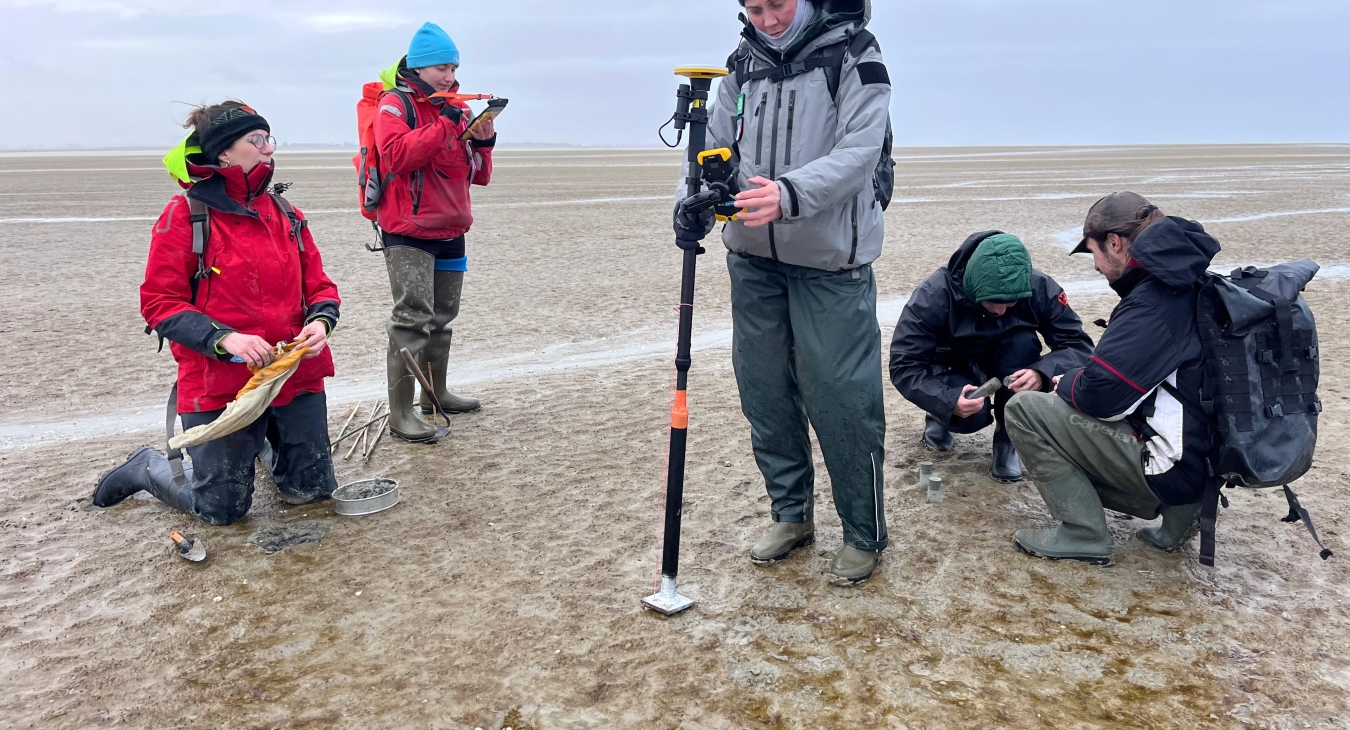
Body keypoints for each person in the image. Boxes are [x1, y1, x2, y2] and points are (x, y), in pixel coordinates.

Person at [673, 0, 891, 584]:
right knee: (764, 389)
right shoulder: (741, 63)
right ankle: (791, 514)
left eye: (778, 5)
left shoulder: (854, 54)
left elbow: (860, 151)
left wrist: (789, 194)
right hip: (752, 259)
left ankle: (863, 531)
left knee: (840, 397)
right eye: (754, 8)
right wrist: (690, 203)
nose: (767, 19)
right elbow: (712, 146)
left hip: (830, 261)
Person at [92, 101, 341, 525]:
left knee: (312, 493)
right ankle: (146, 465)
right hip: (219, 383)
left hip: (293, 376)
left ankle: (261, 442)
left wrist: (320, 322)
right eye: (256, 140)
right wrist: (227, 338)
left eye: (268, 138)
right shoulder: (186, 215)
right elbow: (159, 303)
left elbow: (321, 287)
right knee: (221, 511)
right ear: (223, 152)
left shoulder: (286, 213)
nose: (268, 148)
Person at [1004, 192, 1220, 563]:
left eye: (1094, 252)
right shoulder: (1196, 282)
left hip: (1172, 468)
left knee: (1024, 409)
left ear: (1115, 243)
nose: (1095, 266)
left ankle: (1083, 534)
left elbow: (1101, 398)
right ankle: (1180, 518)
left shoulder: (1154, 301)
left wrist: (1065, 382)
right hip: (1207, 464)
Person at [889, 232, 1094, 482]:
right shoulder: (933, 295)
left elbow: (1078, 345)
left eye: (1010, 304)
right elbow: (905, 365)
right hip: (955, 363)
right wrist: (946, 401)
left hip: (1010, 359)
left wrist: (1042, 373)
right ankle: (938, 418)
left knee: (1022, 343)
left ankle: (1009, 438)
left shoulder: (1039, 286)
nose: (1000, 311)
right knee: (970, 417)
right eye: (991, 302)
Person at [374, 21, 495, 443]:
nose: (449, 76)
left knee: (442, 319)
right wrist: (444, 122)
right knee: (411, 320)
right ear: (420, 67)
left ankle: (434, 395)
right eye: (442, 67)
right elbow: (396, 157)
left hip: (452, 226)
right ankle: (401, 414)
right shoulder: (395, 104)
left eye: (453, 68)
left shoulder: (457, 109)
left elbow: (477, 176)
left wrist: (484, 143)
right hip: (408, 229)